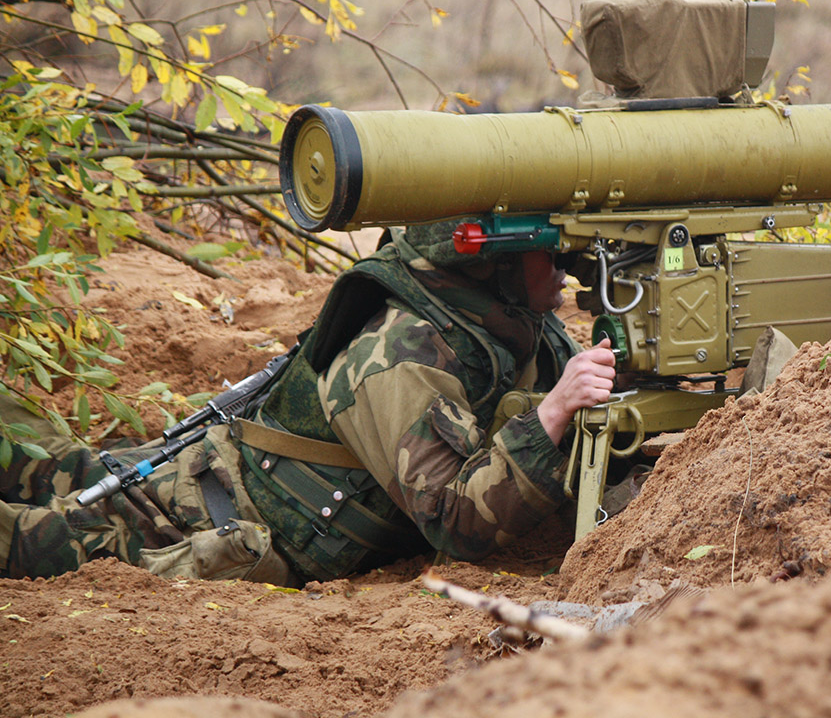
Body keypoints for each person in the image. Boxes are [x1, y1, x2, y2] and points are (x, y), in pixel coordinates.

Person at [0, 221, 618, 584]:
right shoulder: (400, 353)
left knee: (69, 467)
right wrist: (550, 416)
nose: (568, 264)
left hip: (233, 480)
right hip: (211, 516)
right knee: (29, 540)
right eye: (551, 247)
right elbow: (457, 523)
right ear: (494, 263)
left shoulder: (510, 323)